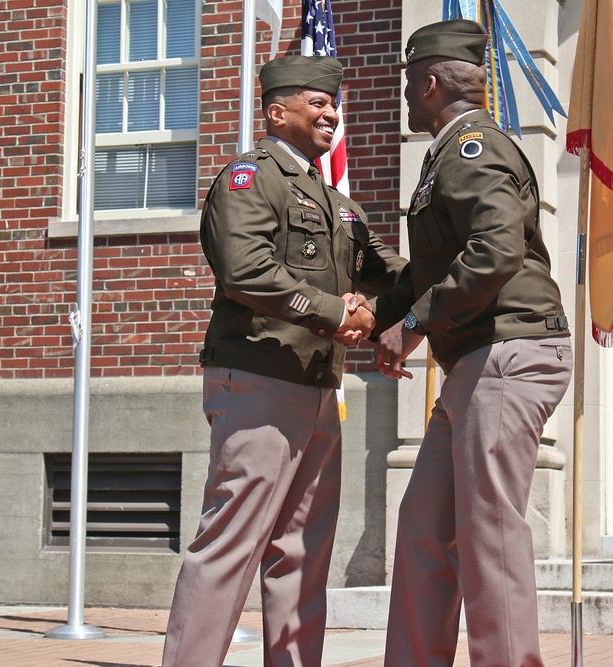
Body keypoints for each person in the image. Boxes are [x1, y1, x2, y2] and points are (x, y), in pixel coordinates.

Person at [162, 54, 407, 667]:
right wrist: (338, 312)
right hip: (258, 380)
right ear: (277, 111)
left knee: (303, 549)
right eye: (317, 104)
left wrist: (437, 300)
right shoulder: (250, 178)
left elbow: (390, 276)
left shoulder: (336, 203)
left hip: (320, 388)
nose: (332, 113)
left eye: (334, 103)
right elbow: (245, 271)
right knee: (229, 544)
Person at [372, 19, 573, 667]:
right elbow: (435, 264)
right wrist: (384, 312)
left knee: (488, 527)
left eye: (408, 83)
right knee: (426, 526)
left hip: (509, 352)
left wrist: (413, 323)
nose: (404, 96)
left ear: (429, 83)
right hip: (474, 360)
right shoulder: (449, 154)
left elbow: (495, 251)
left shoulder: (474, 150)